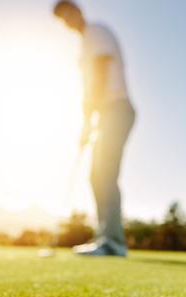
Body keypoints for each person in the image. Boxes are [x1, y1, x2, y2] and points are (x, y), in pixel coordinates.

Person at [53, 1, 136, 257]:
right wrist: (88, 122)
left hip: (116, 108)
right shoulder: (84, 43)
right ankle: (107, 237)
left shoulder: (95, 33)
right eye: (62, 19)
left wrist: (91, 119)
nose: (67, 21)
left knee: (104, 173)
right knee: (97, 174)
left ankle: (112, 242)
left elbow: (101, 69)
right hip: (107, 111)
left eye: (68, 14)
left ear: (78, 11)